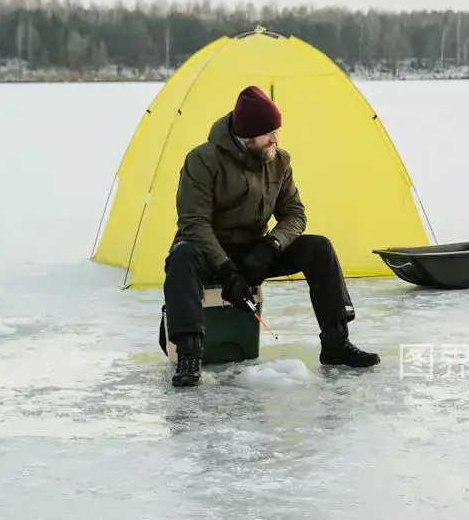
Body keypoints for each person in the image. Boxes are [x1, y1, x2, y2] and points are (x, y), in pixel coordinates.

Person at [163, 86, 380, 386]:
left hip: (254, 251)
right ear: (247, 137)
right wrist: (227, 272)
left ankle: (336, 343)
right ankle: (189, 356)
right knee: (181, 256)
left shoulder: (280, 161)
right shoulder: (201, 160)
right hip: (207, 252)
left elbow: (295, 214)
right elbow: (193, 222)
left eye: (276, 131)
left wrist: (270, 246)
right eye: (269, 133)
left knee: (319, 248)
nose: (275, 139)